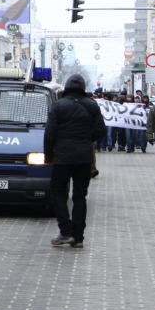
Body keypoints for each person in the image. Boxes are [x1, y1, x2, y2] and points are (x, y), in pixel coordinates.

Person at [44, 74, 106, 249]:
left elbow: (49, 134)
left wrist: (49, 156)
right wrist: (86, 139)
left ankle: (65, 231)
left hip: (62, 157)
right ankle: (78, 237)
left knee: (58, 193)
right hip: (83, 158)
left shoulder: (58, 105)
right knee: (80, 197)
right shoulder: (91, 105)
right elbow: (101, 131)